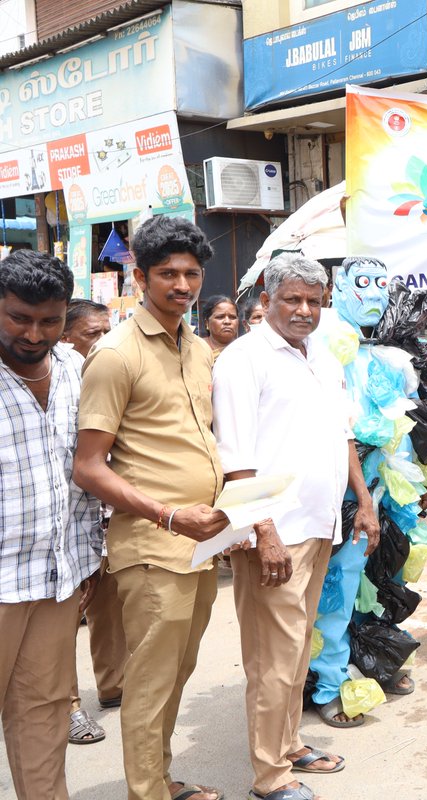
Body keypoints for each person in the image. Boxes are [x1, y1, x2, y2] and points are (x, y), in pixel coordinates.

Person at [74, 215, 231, 800]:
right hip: (152, 546)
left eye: (192, 273)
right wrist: (169, 515)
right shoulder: (115, 355)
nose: (183, 285)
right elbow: (89, 467)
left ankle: (159, 778)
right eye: (167, 273)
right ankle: (148, 791)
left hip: (204, 540)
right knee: (150, 680)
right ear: (139, 276)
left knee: (177, 673)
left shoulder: (197, 349)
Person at [213, 254, 379, 800]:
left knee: (293, 651)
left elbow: (343, 436)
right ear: (267, 297)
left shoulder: (322, 358)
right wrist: (263, 531)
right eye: (293, 299)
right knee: (272, 660)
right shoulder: (244, 360)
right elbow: (236, 458)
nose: (305, 310)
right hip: (274, 536)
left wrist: (363, 499)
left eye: (314, 300)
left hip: (319, 528)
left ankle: (287, 747)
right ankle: (271, 779)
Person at [308, 256, 427, 726]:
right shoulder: (321, 342)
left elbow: (399, 418)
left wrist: (418, 472)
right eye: (361, 284)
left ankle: (370, 659)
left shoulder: (383, 352)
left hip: (382, 488)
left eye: (380, 285)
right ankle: (329, 683)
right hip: (341, 492)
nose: (372, 295)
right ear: (338, 287)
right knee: (337, 585)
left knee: (377, 576)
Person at [0, 250, 104, 799]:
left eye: (50, 320)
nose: (35, 334)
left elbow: (86, 472)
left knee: (41, 714)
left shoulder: (73, 370)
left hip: (57, 578)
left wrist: (89, 556)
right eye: (19, 317)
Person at [59, 298, 127, 746]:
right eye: (92, 334)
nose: (103, 341)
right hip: (66, 520)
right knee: (63, 618)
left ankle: (113, 685)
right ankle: (67, 706)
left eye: (108, 331)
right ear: (65, 340)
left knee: (110, 607)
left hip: (107, 516)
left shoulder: (111, 375)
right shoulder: (60, 378)